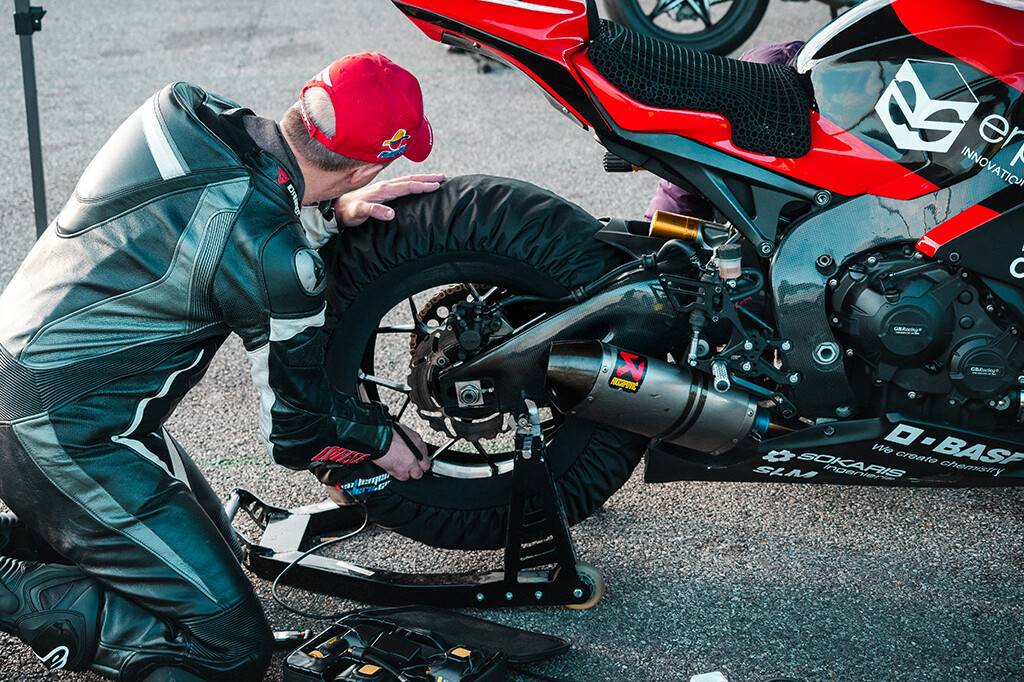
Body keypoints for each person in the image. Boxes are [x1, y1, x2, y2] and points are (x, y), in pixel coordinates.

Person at [0, 52, 442, 681]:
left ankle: (37, 534)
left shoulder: (181, 106)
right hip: (62, 433)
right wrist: (377, 436)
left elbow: (219, 206)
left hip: (32, 379)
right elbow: (297, 432)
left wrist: (323, 209)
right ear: (370, 167)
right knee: (232, 650)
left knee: (217, 557)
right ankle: (15, 594)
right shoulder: (274, 257)